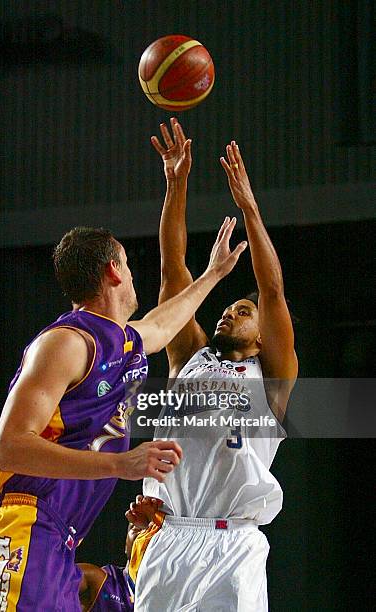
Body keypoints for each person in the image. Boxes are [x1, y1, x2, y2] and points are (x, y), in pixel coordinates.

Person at [0, 222, 247, 611]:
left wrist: (214, 274)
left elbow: (163, 323)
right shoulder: (67, 344)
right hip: (19, 518)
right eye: (126, 265)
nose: (130, 275)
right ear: (113, 271)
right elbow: (9, 447)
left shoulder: (122, 340)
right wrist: (120, 463)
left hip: (56, 535)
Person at [133, 120, 298, 612]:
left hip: (236, 542)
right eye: (228, 308)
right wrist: (175, 183)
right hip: (172, 535)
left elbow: (272, 291)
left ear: (264, 334)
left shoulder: (271, 383)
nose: (229, 310)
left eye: (241, 312)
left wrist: (249, 207)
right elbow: (173, 267)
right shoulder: (189, 355)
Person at [78, 497, 161, 611]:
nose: (145, 539)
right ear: (126, 544)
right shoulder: (98, 581)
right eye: (139, 530)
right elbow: (50, 579)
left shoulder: (179, 595)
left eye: (154, 533)